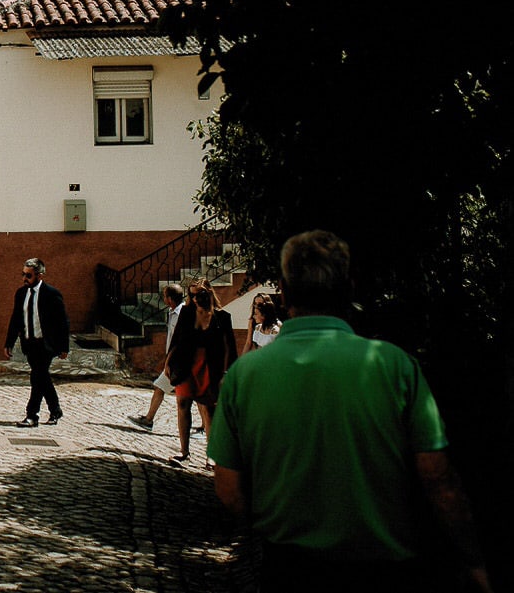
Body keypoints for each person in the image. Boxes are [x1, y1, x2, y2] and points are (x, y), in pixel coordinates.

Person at [210, 230, 490, 592]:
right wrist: (471, 560)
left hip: (289, 567)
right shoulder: (395, 366)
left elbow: (228, 488)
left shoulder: (244, 376)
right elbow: (438, 479)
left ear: (283, 288)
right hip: (385, 568)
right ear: (350, 286)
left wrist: (269, 527)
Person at [166, 284, 234, 457]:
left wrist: (226, 373)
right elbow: (177, 339)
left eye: (200, 295)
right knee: (182, 403)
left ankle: (210, 456)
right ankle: (184, 452)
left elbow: (228, 348)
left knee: (208, 409)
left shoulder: (222, 317)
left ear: (209, 293)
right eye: (192, 295)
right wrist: (167, 362)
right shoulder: (187, 314)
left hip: (210, 365)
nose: (196, 299)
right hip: (186, 363)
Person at [4, 258, 69, 427]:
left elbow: (63, 322)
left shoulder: (51, 294)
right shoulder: (21, 293)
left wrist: (63, 347)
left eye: (28, 275)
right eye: (23, 274)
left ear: (39, 276)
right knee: (42, 377)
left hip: (46, 344)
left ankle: (32, 415)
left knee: (37, 377)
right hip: (29, 344)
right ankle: (55, 410)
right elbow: (16, 319)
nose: (24, 278)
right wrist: (9, 343)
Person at [128, 283, 185, 430]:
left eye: (165, 296)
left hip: (178, 361)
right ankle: (148, 419)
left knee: (188, 394)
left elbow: (179, 341)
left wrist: (170, 360)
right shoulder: (172, 313)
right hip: (173, 360)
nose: (163, 299)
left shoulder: (182, 314)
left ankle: (149, 419)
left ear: (170, 299)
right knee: (160, 387)